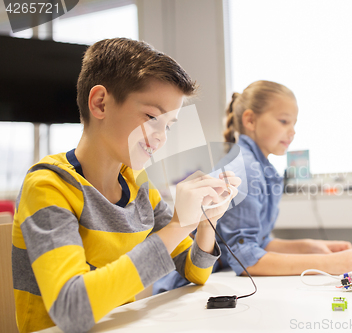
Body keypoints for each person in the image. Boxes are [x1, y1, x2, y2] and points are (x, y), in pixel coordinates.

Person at [12, 38, 240, 333]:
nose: (161, 137)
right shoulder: (47, 185)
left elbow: (194, 271)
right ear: (100, 103)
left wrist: (206, 219)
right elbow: (71, 309)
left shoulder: (139, 186)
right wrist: (179, 226)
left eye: (168, 125)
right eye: (152, 117)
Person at [216, 80, 352, 276]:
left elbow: (259, 242)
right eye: (284, 121)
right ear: (250, 121)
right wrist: (329, 264)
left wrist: (310, 247)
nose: (292, 131)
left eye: (294, 123)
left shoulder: (261, 168)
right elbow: (246, 259)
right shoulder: (243, 169)